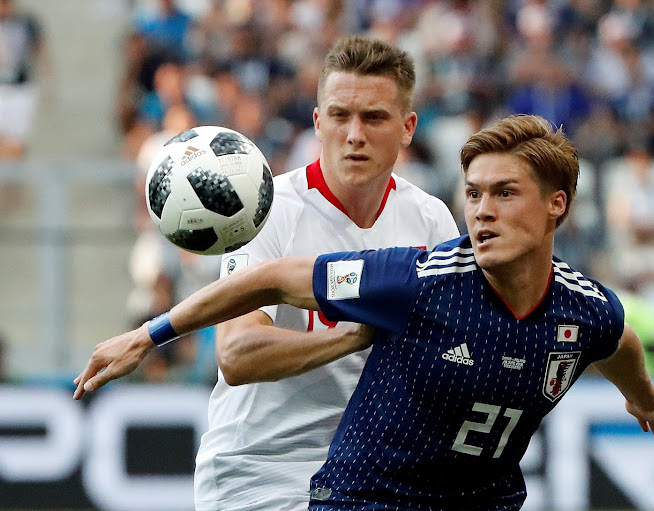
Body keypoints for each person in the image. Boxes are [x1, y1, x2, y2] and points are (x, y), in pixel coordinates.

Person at [75, 114, 654, 510]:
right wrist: (149, 334)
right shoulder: (418, 279)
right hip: (367, 501)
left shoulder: (583, 308)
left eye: (505, 193)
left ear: (556, 206)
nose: (482, 209)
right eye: (475, 193)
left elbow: (615, 338)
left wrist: (644, 401)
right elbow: (271, 279)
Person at [75, 35, 459, 511]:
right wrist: (354, 338)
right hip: (263, 471)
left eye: (374, 117)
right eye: (340, 115)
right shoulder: (266, 210)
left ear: (407, 128)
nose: (354, 134)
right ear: (318, 123)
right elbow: (237, 353)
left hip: (370, 470)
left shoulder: (431, 220)